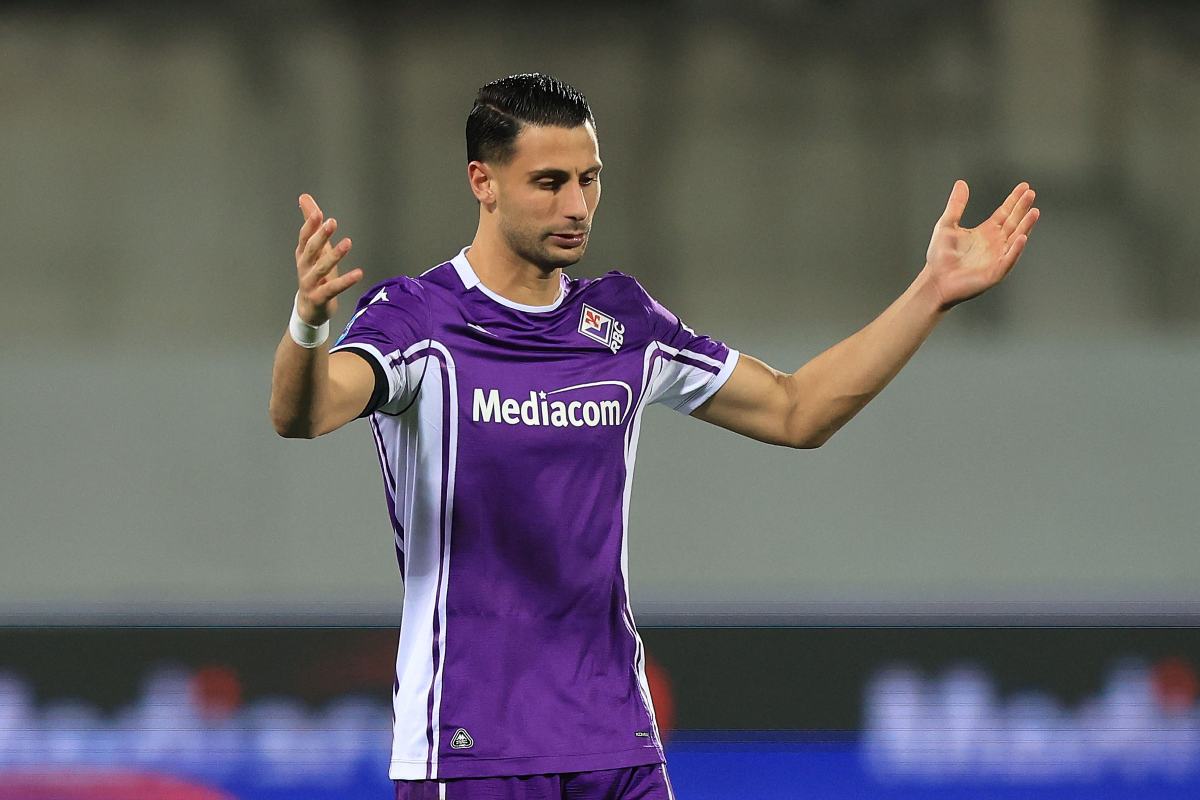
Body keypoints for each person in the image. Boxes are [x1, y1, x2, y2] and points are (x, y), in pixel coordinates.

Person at [269, 72, 1039, 800]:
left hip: (615, 738)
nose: (577, 204)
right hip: (470, 746)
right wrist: (307, 322)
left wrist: (931, 292)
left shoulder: (623, 323)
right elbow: (303, 414)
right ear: (483, 182)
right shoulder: (419, 320)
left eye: (590, 178)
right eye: (550, 182)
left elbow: (798, 410)